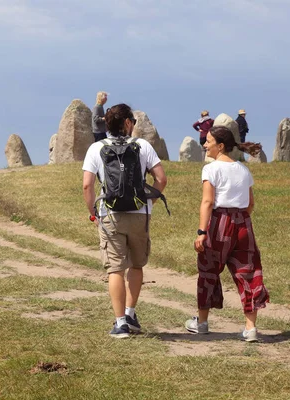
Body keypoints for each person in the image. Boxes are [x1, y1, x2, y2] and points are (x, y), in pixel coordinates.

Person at [82, 103, 167, 338]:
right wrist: (150, 203)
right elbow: (161, 178)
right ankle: (130, 313)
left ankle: (120, 323)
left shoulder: (96, 148)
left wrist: (93, 213)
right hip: (140, 213)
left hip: (110, 215)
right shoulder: (143, 146)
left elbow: (87, 185)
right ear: (128, 123)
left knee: (116, 269)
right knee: (136, 265)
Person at [186, 126, 269, 342]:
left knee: (209, 270)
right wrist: (239, 219)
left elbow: (208, 201)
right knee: (248, 272)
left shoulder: (211, 169)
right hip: (243, 223)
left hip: (219, 223)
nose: (205, 144)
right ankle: (250, 328)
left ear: (220, 146)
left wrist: (202, 231)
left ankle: (202, 323)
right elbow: (250, 204)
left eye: (209, 141)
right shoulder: (244, 170)